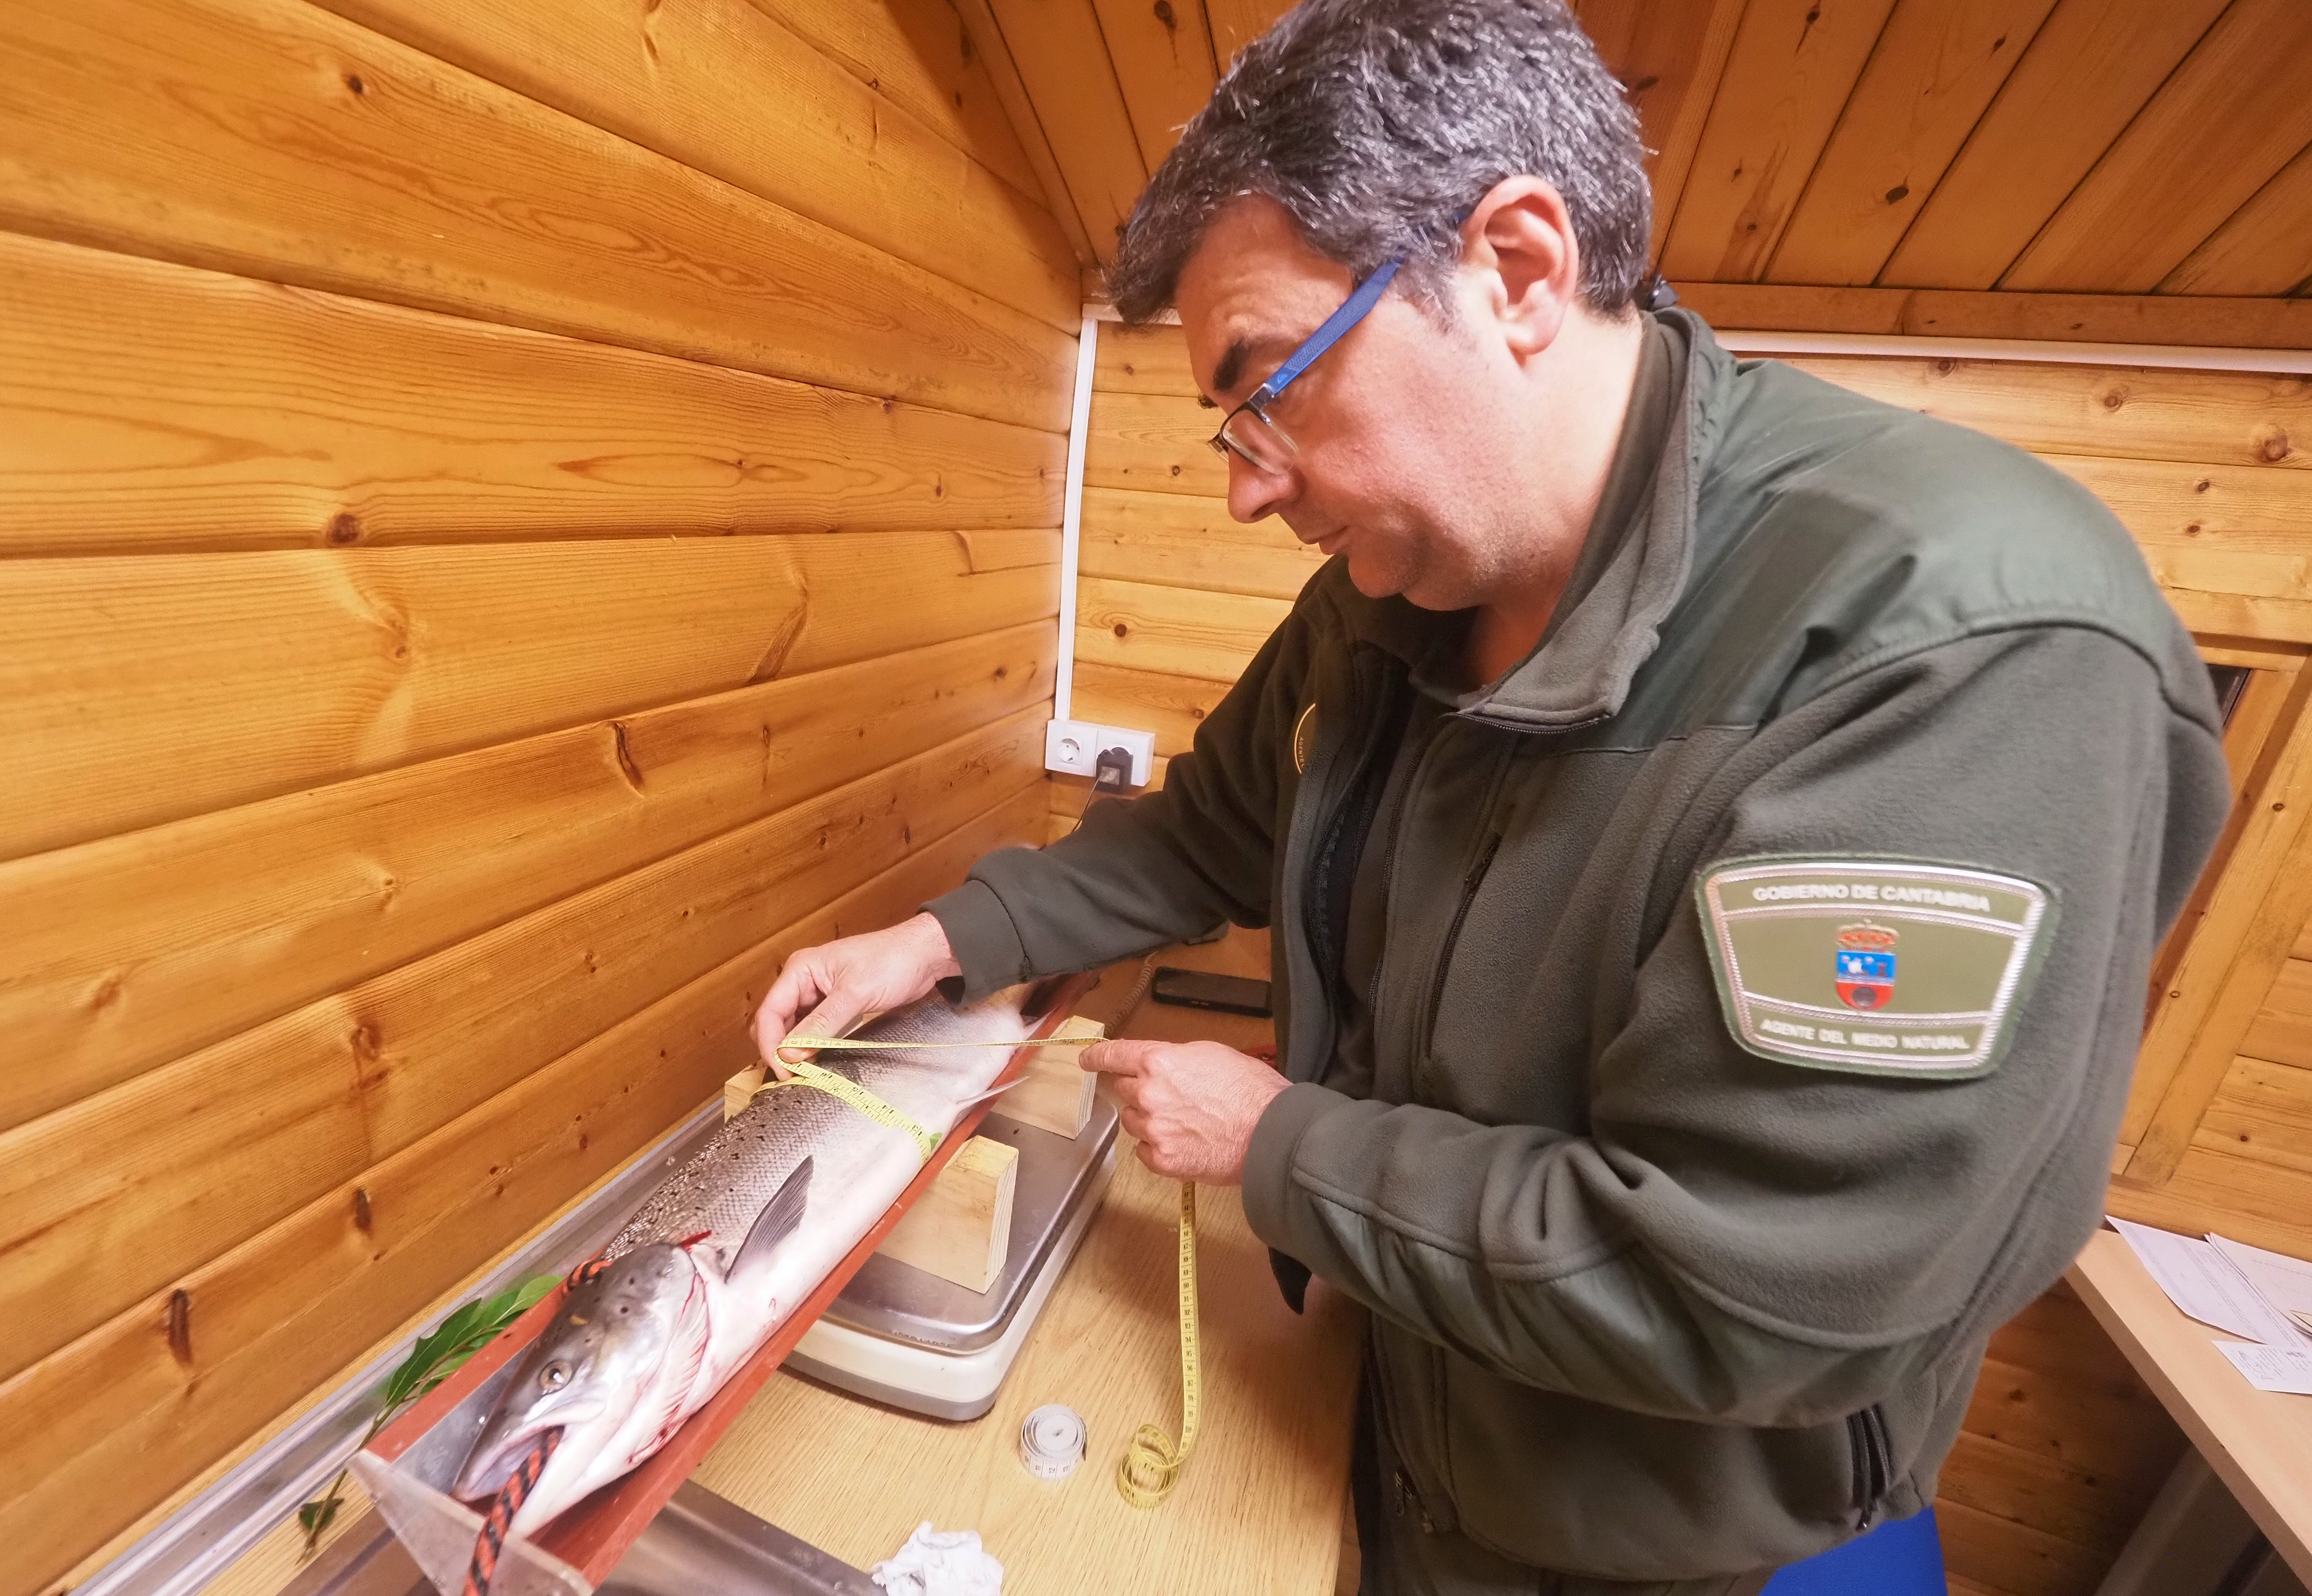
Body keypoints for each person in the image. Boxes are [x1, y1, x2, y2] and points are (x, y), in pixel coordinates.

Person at [753, 1, 2231, 1590]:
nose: (1247, 481)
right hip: (1396, 1402)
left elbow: (1739, 1291)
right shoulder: (1397, 591)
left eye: (1271, 388)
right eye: (1225, 425)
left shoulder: (1951, 645)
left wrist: (1278, 1146)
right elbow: (1207, 831)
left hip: (1644, 1542)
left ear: (1516, 269)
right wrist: (942, 939)